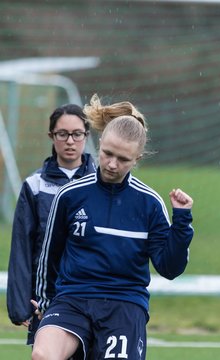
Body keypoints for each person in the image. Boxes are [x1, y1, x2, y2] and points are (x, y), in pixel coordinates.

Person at [32, 94, 194, 360]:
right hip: (73, 299)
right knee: (43, 355)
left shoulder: (149, 204)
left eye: (122, 159)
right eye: (107, 153)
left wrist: (182, 220)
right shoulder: (70, 195)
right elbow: (50, 256)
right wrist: (45, 305)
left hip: (125, 304)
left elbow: (170, 268)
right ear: (99, 144)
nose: (111, 164)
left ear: (137, 158)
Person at [7, 103, 96, 348]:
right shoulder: (34, 186)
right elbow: (22, 247)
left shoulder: (100, 183)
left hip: (90, 293)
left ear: (86, 136)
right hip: (46, 299)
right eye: (62, 134)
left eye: (77, 134)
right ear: (51, 136)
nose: (70, 141)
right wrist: (20, 303)